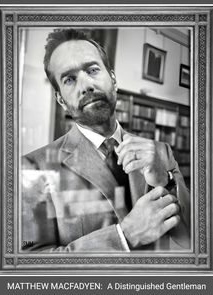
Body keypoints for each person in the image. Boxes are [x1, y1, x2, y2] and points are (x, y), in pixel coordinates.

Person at [22, 29, 190, 252]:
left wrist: (165, 180)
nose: (86, 86)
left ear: (113, 79)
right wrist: (124, 237)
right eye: (69, 79)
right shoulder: (33, 167)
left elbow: (193, 239)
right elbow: (32, 265)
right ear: (61, 99)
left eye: (92, 70)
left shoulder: (162, 152)